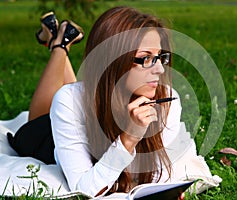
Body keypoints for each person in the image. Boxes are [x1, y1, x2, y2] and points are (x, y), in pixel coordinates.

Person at [7, 6, 219, 198]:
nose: (160, 69)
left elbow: (158, 175)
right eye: (146, 58)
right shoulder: (68, 102)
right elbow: (85, 189)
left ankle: (58, 37)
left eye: (160, 57)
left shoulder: (167, 100)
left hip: (94, 96)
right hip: (45, 138)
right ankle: (59, 44)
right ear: (114, 59)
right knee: (62, 101)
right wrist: (128, 139)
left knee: (81, 93)